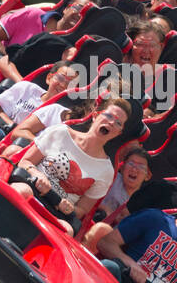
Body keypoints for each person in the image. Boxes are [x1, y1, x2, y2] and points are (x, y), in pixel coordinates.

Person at [10, 98, 134, 231]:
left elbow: (82, 209)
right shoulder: (61, 133)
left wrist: (69, 207)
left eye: (118, 123)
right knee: (21, 191)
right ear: (95, 116)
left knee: (66, 230)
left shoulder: (106, 171)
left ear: (118, 133)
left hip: (56, 211)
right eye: (109, 116)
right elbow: (25, 162)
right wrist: (37, 174)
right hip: (32, 187)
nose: (111, 122)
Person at [0, 61, 81, 141]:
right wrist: (11, 125)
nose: (63, 85)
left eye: (70, 83)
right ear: (49, 78)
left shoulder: (62, 114)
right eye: (61, 78)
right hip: (2, 129)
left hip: (22, 145)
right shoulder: (27, 88)